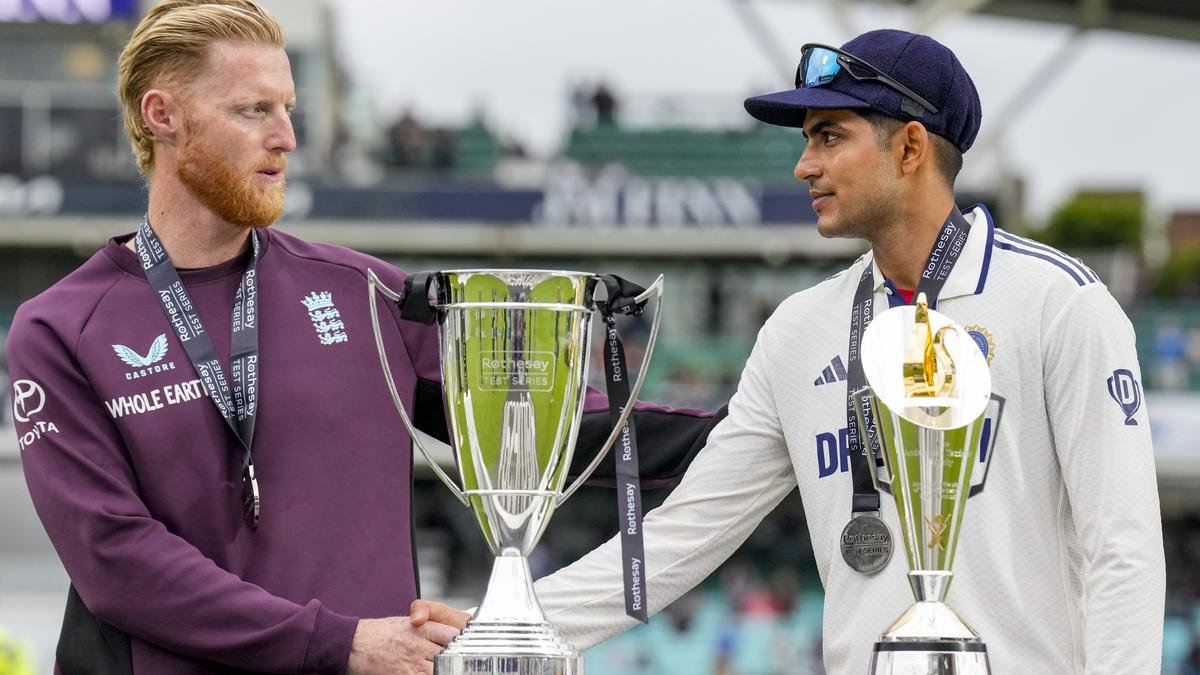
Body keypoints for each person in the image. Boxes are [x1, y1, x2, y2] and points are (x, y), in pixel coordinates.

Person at [5, 2, 719, 673]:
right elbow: (116, 561)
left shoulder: (364, 294)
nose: (285, 136)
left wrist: (753, 430)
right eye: (253, 109)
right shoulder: (62, 329)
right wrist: (337, 643)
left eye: (288, 108)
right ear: (163, 115)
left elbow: (557, 431)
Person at [525, 28, 1166, 673]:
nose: (805, 165)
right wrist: (507, 622)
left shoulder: (1058, 304)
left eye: (829, 136)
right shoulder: (797, 331)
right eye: (808, 140)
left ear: (910, 146)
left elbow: (1123, 547)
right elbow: (679, 536)